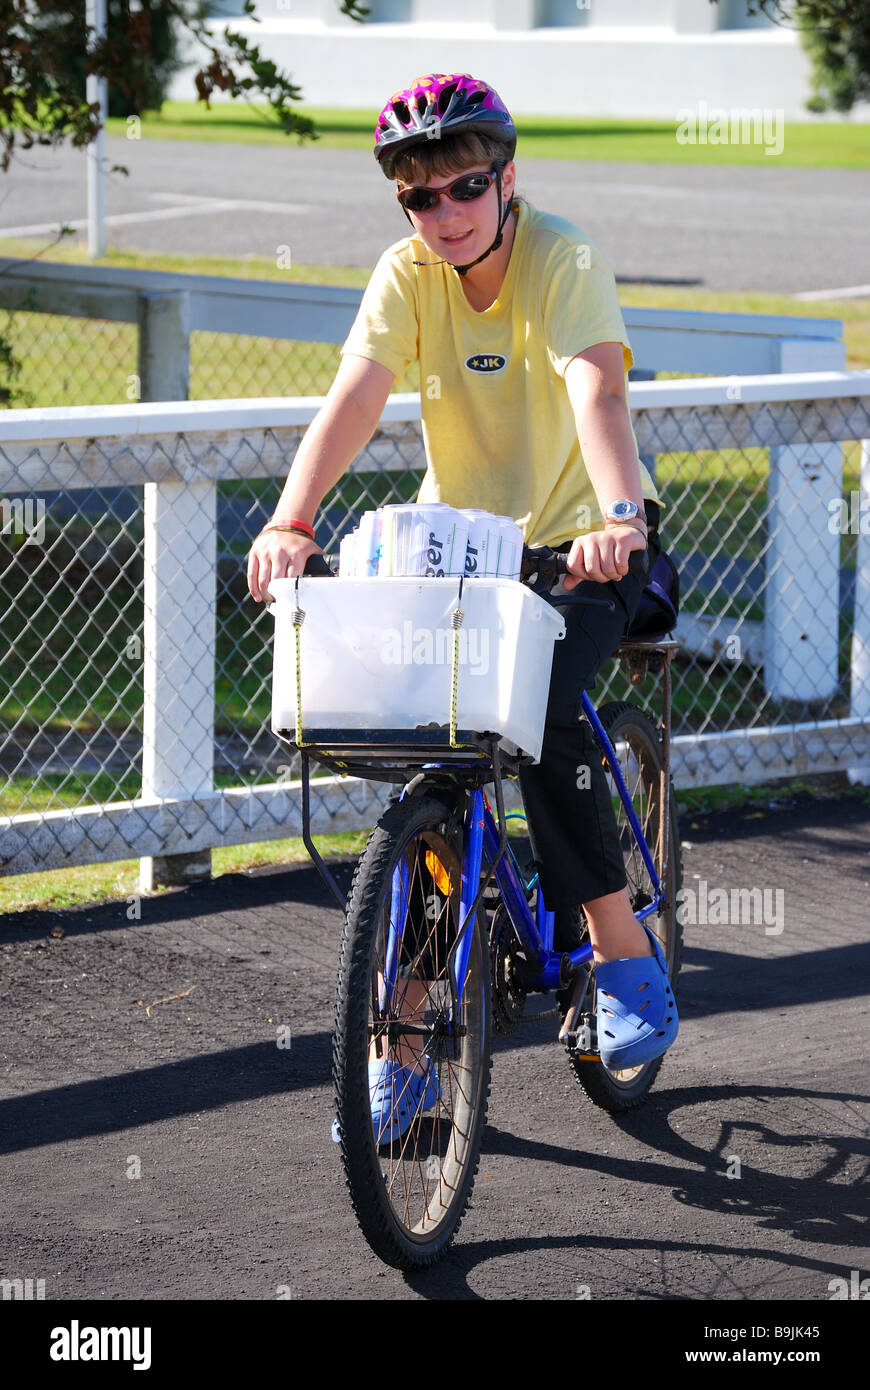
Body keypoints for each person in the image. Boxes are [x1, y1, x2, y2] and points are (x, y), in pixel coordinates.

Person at [247, 73, 678, 1139]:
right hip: (466, 554)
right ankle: (398, 1042)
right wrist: (291, 521)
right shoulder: (408, 275)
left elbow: (598, 389)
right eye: (419, 198)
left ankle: (623, 957)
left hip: (585, 549)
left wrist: (618, 511)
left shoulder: (563, 259)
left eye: (464, 188)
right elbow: (355, 394)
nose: (443, 215)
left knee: (540, 719)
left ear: (507, 177)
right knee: (431, 767)